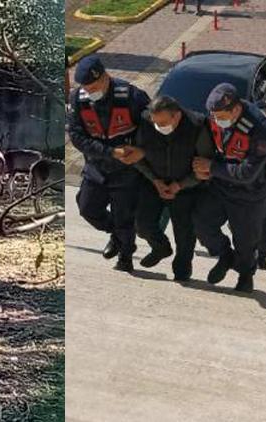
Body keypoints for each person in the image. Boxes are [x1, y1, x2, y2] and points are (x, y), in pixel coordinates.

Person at [68, 55, 151, 272]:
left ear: (106, 77)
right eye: (86, 87)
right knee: (87, 208)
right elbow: (77, 137)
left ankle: (125, 256)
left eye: (94, 86)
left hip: (126, 171)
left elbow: (151, 129)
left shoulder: (132, 96)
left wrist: (141, 151)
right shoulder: (78, 99)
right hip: (97, 167)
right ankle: (116, 234)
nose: (90, 91)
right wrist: (109, 152)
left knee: (124, 215)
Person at [192, 83, 266, 293]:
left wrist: (211, 167)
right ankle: (225, 255)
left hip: (250, 194)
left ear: (236, 109)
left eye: (221, 115)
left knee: (246, 242)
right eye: (214, 115)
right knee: (201, 223)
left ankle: (246, 274)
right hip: (221, 186)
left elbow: (247, 173)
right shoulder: (215, 118)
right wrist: (205, 169)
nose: (217, 120)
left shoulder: (260, 129)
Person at [121, 95, 214, 281]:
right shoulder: (146, 122)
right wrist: (154, 180)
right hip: (154, 182)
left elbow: (205, 166)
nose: (158, 126)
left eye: (163, 122)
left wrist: (180, 185)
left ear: (177, 116)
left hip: (186, 186)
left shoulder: (197, 126)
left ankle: (182, 270)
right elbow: (137, 157)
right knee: (142, 224)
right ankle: (160, 247)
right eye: (155, 122)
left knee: (184, 233)